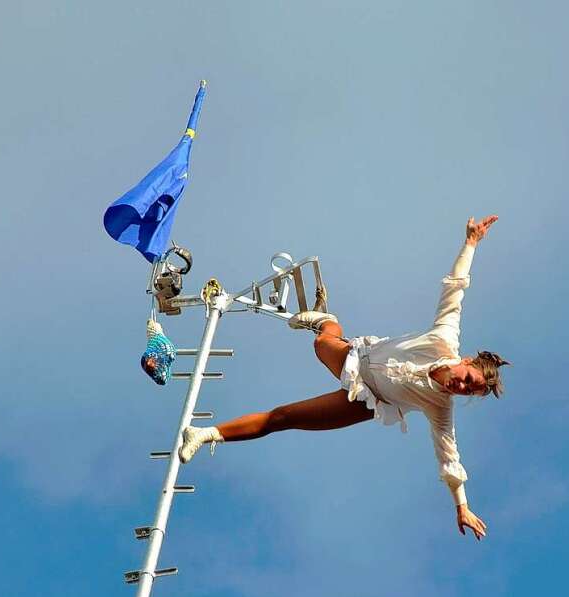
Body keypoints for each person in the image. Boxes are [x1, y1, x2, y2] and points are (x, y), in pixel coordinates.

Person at [178, 215, 508, 541]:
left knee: (284, 417)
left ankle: (205, 434)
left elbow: (449, 460)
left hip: (365, 401)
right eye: (467, 378)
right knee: (322, 341)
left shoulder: (440, 407)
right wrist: (470, 244)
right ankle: (327, 321)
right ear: (465, 362)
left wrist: (461, 507)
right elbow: (455, 289)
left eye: (468, 392)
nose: (460, 386)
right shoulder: (444, 339)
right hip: (357, 358)